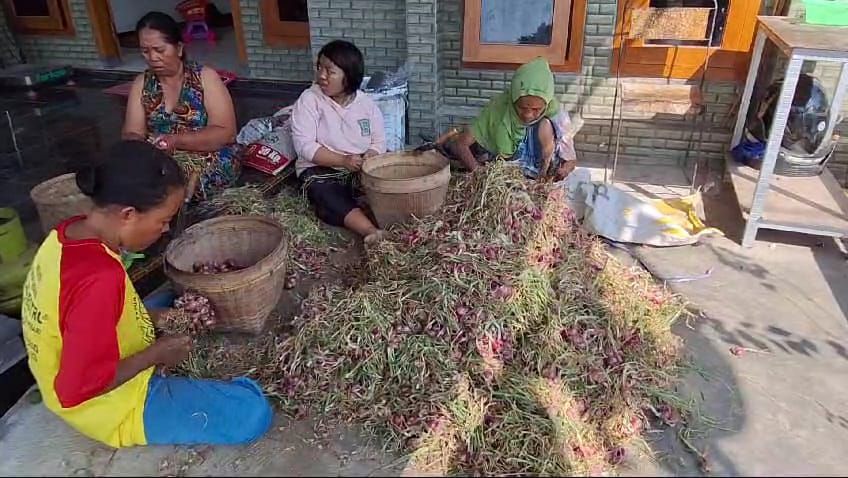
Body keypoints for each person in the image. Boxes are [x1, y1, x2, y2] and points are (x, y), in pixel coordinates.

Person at [21, 140, 272, 448]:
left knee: (178, 301)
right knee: (252, 413)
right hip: (108, 405)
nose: (165, 230)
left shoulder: (67, 234)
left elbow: (81, 310)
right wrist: (157, 354)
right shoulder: (100, 278)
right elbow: (75, 389)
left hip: (72, 354)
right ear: (128, 214)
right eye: (163, 220)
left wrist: (154, 317)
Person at [122, 11, 239, 203]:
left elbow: (226, 133)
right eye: (145, 51)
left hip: (205, 155)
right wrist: (145, 147)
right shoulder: (142, 84)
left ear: (178, 48)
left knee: (180, 187)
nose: (152, 58)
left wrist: (175, 141)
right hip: (159, 159)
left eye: (159, 50)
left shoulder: (205, 78)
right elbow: (131, 134)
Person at [290, 40, 387, 244]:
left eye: (330, 71)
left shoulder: (366, 104)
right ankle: (370, 230)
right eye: (320, 68)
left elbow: (378, 140)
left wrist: (371, 155)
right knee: (324, 191)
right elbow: (305, 146)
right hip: (320, 168)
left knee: (388, 180)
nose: (322, 76)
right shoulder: (310, 100)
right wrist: (342, 160)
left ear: (348, 76)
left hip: (359, 166)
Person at [449, 57, 577, 181]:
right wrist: (479, 172)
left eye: (536, 110)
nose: (528, 115)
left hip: (541, 173)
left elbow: (571, 160)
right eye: (521, 107)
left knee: (545, 125)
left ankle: (541, 175)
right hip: (507, 171)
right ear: (513, 98)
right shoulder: (499, 108)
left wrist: (564, 170)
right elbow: (460, 144)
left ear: (547, 103)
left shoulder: (557, 113)